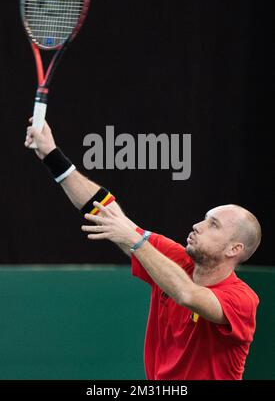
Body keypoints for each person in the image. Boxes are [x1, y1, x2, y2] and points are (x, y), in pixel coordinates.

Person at [25, 120, 261, 380]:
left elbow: (187, 294)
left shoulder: (242, 300)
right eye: (204, 218)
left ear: (234, 249)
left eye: (213, 225)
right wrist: (51, 155)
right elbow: (106, 211)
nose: (197, 226)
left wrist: (136, 242)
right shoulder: (175, 258)